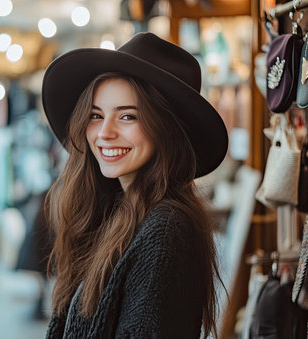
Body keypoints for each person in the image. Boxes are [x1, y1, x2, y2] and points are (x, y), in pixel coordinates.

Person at [41, 32, 228, 338]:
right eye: (95, 115)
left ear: (165, 128)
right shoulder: (113, 211)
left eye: (127, 116)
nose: (105, 133)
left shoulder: (165, 229)